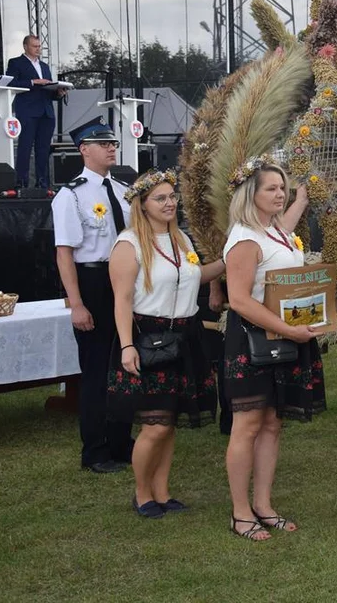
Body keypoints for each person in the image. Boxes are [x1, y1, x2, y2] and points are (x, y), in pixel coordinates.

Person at [108, 170, 225, 518]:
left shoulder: (182, 241)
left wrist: (226, 260)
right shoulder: (128, 245)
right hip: (148, 338)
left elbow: (194, 276)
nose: (170, 202)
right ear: (142, 205)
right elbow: (122, 299)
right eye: (160, 198)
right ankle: (142, 494)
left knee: (169, 422)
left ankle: (162, 491)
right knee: (155, 424)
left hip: (186, 336)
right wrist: (128, 346)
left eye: (172, 196)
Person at [222, 158, 320, 541]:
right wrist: (288, 330)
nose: (279, 194)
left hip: (282, 338)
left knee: (272, 424)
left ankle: (263, 504)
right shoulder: (245, 238)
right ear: (251, 194)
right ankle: (240, 512)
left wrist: (301, 197)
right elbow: (239, 300)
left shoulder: (275, 230)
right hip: (252, 340)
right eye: (271, 189)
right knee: (246, 426)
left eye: (282, 188)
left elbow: (286, 228)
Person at [52, 119, 135, 473]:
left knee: (124, 364)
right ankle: (96, 450)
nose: (111, 148)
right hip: (93, 282)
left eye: (113, 143)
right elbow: (64, 253)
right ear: (83, 150)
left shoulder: (122, 190)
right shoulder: (71, 194)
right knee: (98, 369)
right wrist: (77, 303)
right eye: (102, 143)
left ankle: (120, 440)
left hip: (123, 279)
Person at [5, 35, 65, 189]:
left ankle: (42, 183)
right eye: (35, 46)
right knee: (25, 147)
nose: (38, 49)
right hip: (28, 111)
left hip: (46, 112)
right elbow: (10, 83)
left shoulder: (44, 66)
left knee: (43, 149)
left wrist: (57, 93)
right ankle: (22, 183)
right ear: (25, 46)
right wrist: (33, 82)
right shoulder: (16, 63)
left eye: (39, 46)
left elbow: (47, 91)